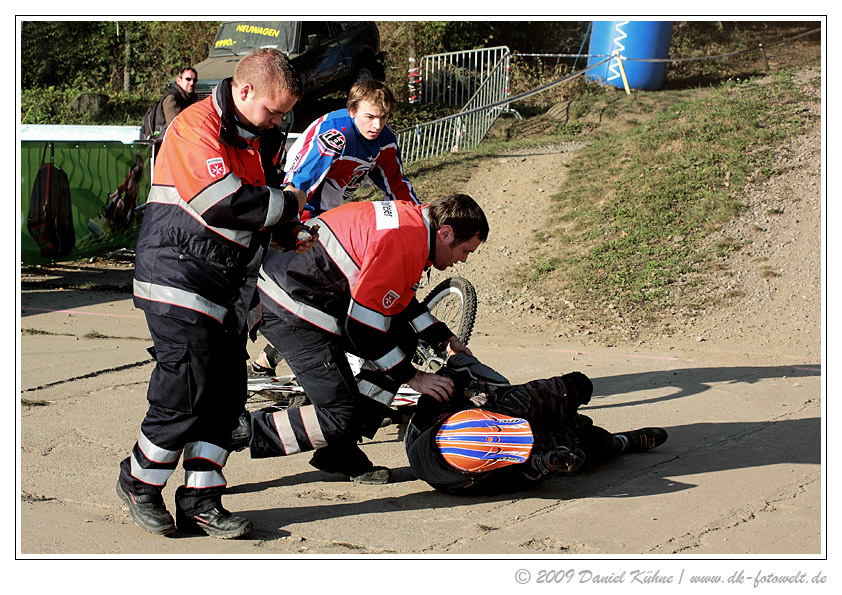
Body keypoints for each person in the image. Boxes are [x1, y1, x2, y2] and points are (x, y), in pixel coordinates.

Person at [117, 49, 310, 540]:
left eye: (286, 111)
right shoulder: (193, 126)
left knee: (225, 398)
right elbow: (221, 201)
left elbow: (256, 208)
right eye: (274, 109)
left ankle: (201, 500)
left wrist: (288, 231)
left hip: (224, 287)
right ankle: (139, 482)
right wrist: (288, 203)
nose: (280, 119)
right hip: (177, 278)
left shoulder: (258, 135)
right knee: (185, 391)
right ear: (244, 91)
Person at [232, 193, 489, 485]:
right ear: (446, 233)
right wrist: (413, 377)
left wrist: (443, 338)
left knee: (402, 340)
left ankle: (338, 452)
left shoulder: (414, 225)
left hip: (312, 295)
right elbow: (363, 329)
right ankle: (240, 430)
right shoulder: (404, 242)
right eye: (465, 250)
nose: (463, 260)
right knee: (341, 415)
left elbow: (399, 297)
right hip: (291, 306)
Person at [249, 80, 418, 376]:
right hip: (302, 199)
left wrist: (419, 221)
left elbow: (397, 186)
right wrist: (293, 225)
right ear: (352, 111)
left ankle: (267, 359)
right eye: (369, 117)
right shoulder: (335, 133)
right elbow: (301, 183)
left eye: (384, 117)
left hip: (334, 206)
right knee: (322, 286)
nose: (377, 125)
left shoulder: (385, 140)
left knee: (332, 291)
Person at [403, 354, 669, 494]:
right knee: (590, 442)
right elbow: (518, 478)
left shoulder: (433, 408)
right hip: (511, 456)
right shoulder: (469, 484)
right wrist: (545, 464)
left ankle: (514, 405)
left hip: (494, 408)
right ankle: (621, 443)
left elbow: (459, 367)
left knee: (575, 385)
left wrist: (496, 391)